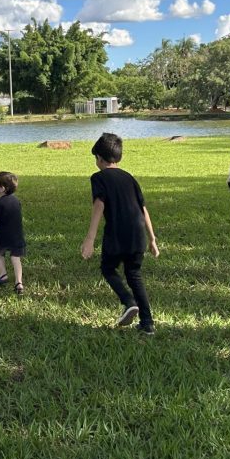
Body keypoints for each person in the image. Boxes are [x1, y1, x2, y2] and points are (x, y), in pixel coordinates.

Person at [80, 133, 159, 336]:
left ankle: (128, 301)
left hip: (117, 233)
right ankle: (147, 323)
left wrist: (90, 239)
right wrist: (152, 239)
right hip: (138, 234)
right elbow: (143, 209)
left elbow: (99, 204)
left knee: (108, 268)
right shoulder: (130, 178)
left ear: (99, 158)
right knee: (134, 275)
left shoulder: (98, 177)